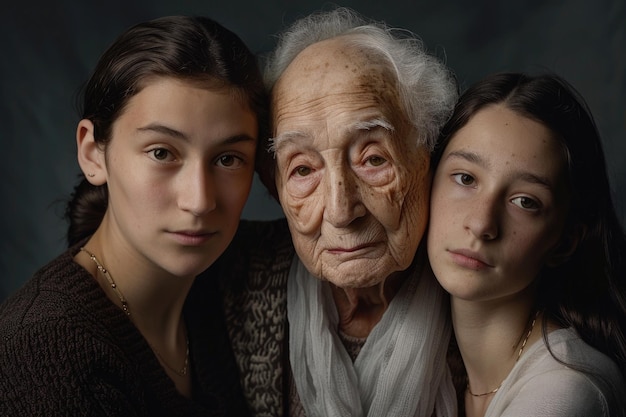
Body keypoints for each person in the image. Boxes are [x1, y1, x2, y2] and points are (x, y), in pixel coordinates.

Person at [0, 15, 267, 416]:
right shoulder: (42, 351)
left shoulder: (245, 274)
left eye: (228, 159)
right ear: (93, 153)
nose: (199, 201)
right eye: (162, 152)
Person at [213, 7, 459, 416]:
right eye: (303, 169)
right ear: (274, 187)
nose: (341, 211)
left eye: (373, 159)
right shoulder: (231, 278)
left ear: (428, 157)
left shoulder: (489, 294)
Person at [427, 72, 626, 417]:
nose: (482, 223)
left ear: (563, 241)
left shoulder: (567, 391)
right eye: (466, 178)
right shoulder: (434, 369)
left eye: (525, 201)